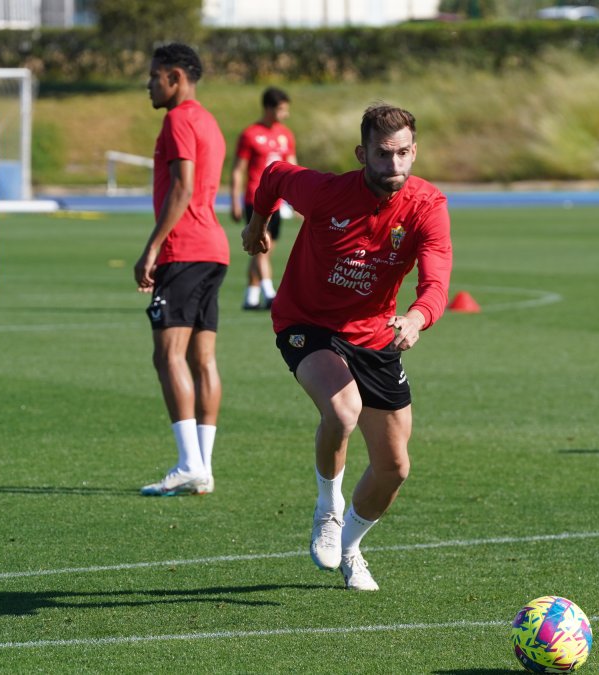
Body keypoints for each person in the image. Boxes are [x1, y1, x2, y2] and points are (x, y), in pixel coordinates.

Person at [241, 103, 453, 591]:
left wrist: (417, 318)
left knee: (394, 468)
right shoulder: (324, 192)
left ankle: (352, 547)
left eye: (403, 154)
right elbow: (273, 175)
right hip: (306, 323)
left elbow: (436, 280)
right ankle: (327, 510)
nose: (394, 166)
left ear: (414, 152)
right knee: (342, 411)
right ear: (363, 154)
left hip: (376, 333)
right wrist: (257, 225)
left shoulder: (427, 206)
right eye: (383, 155)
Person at [135, 43, 228, 497]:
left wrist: (152, 248)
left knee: (167, 355)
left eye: (154, 76)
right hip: (214, 249)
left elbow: (183, 187)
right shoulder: (209, 120)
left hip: (184, 249)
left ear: (175, 77)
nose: (149, 84)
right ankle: (202, 467)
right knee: (202, 359)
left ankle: (190, 463)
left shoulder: (177, 120)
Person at [230, 86, 297, 310]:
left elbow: (294, 167)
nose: (285, 114)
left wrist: (298, 199)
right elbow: (238, 169)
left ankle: (251, 296)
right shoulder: (250, 134)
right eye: (281, 109)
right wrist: (233, 199)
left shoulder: (286, 134)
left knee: (263, 249)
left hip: (279, 200)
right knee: (261, 245)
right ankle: (269, 292)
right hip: (255, 199)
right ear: (268, 108)